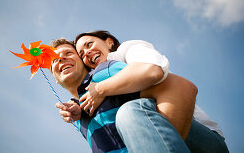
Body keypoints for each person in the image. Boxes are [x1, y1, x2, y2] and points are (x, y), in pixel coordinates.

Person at [51, 38, 229, 152]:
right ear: (55, 79)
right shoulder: (78, 111)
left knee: (129, 111)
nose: (61, 59)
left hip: (201, 141)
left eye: (68, 53)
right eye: (54, 60)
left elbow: (177, 85)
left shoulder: (110, 67)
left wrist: (100, 89)